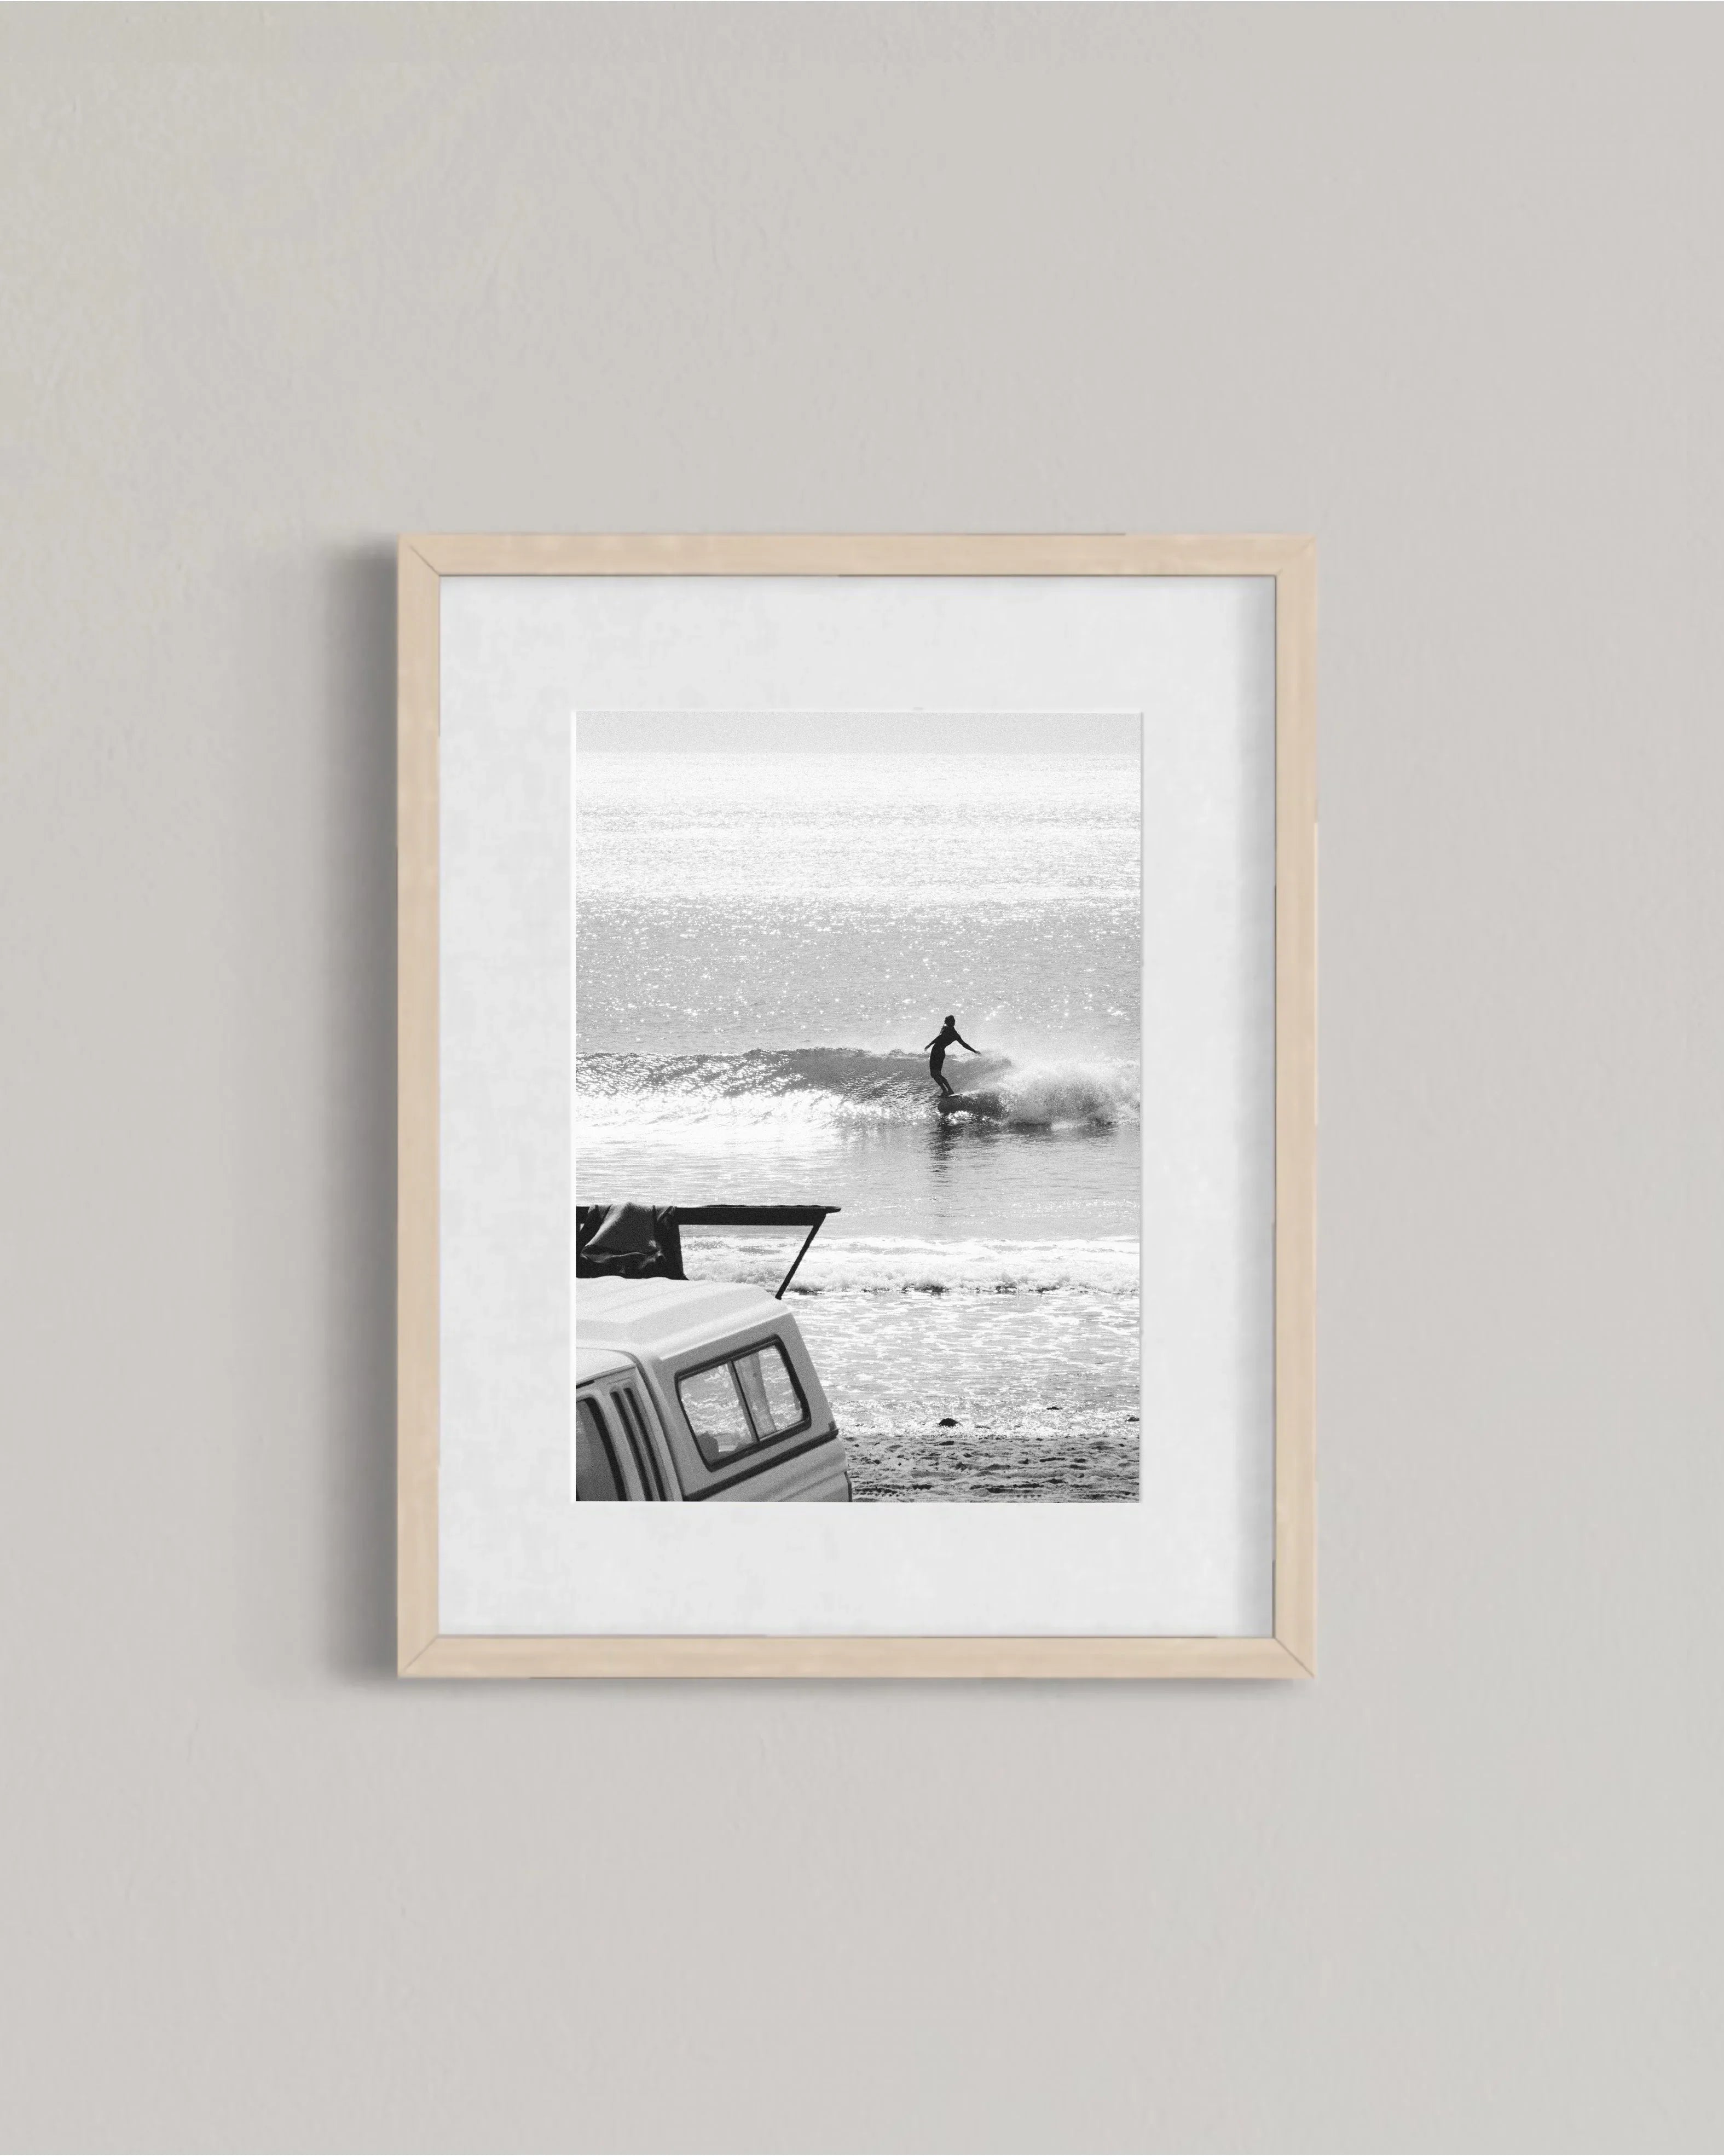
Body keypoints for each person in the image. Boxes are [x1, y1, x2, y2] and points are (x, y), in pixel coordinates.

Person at [925, 1014, 980, 1096]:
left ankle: (945, 1091)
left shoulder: (945, 1028)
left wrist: (930, 1044)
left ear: (948, 1022)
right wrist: (974, 1051)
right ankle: (949, 1090)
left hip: (936, 1050)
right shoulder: (955, 1035)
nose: (944, 1023)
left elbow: (940, 1037)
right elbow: (964, 1045)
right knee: (938, 1074)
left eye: (945, 1022)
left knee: (934, 1074)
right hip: (942, 1052)